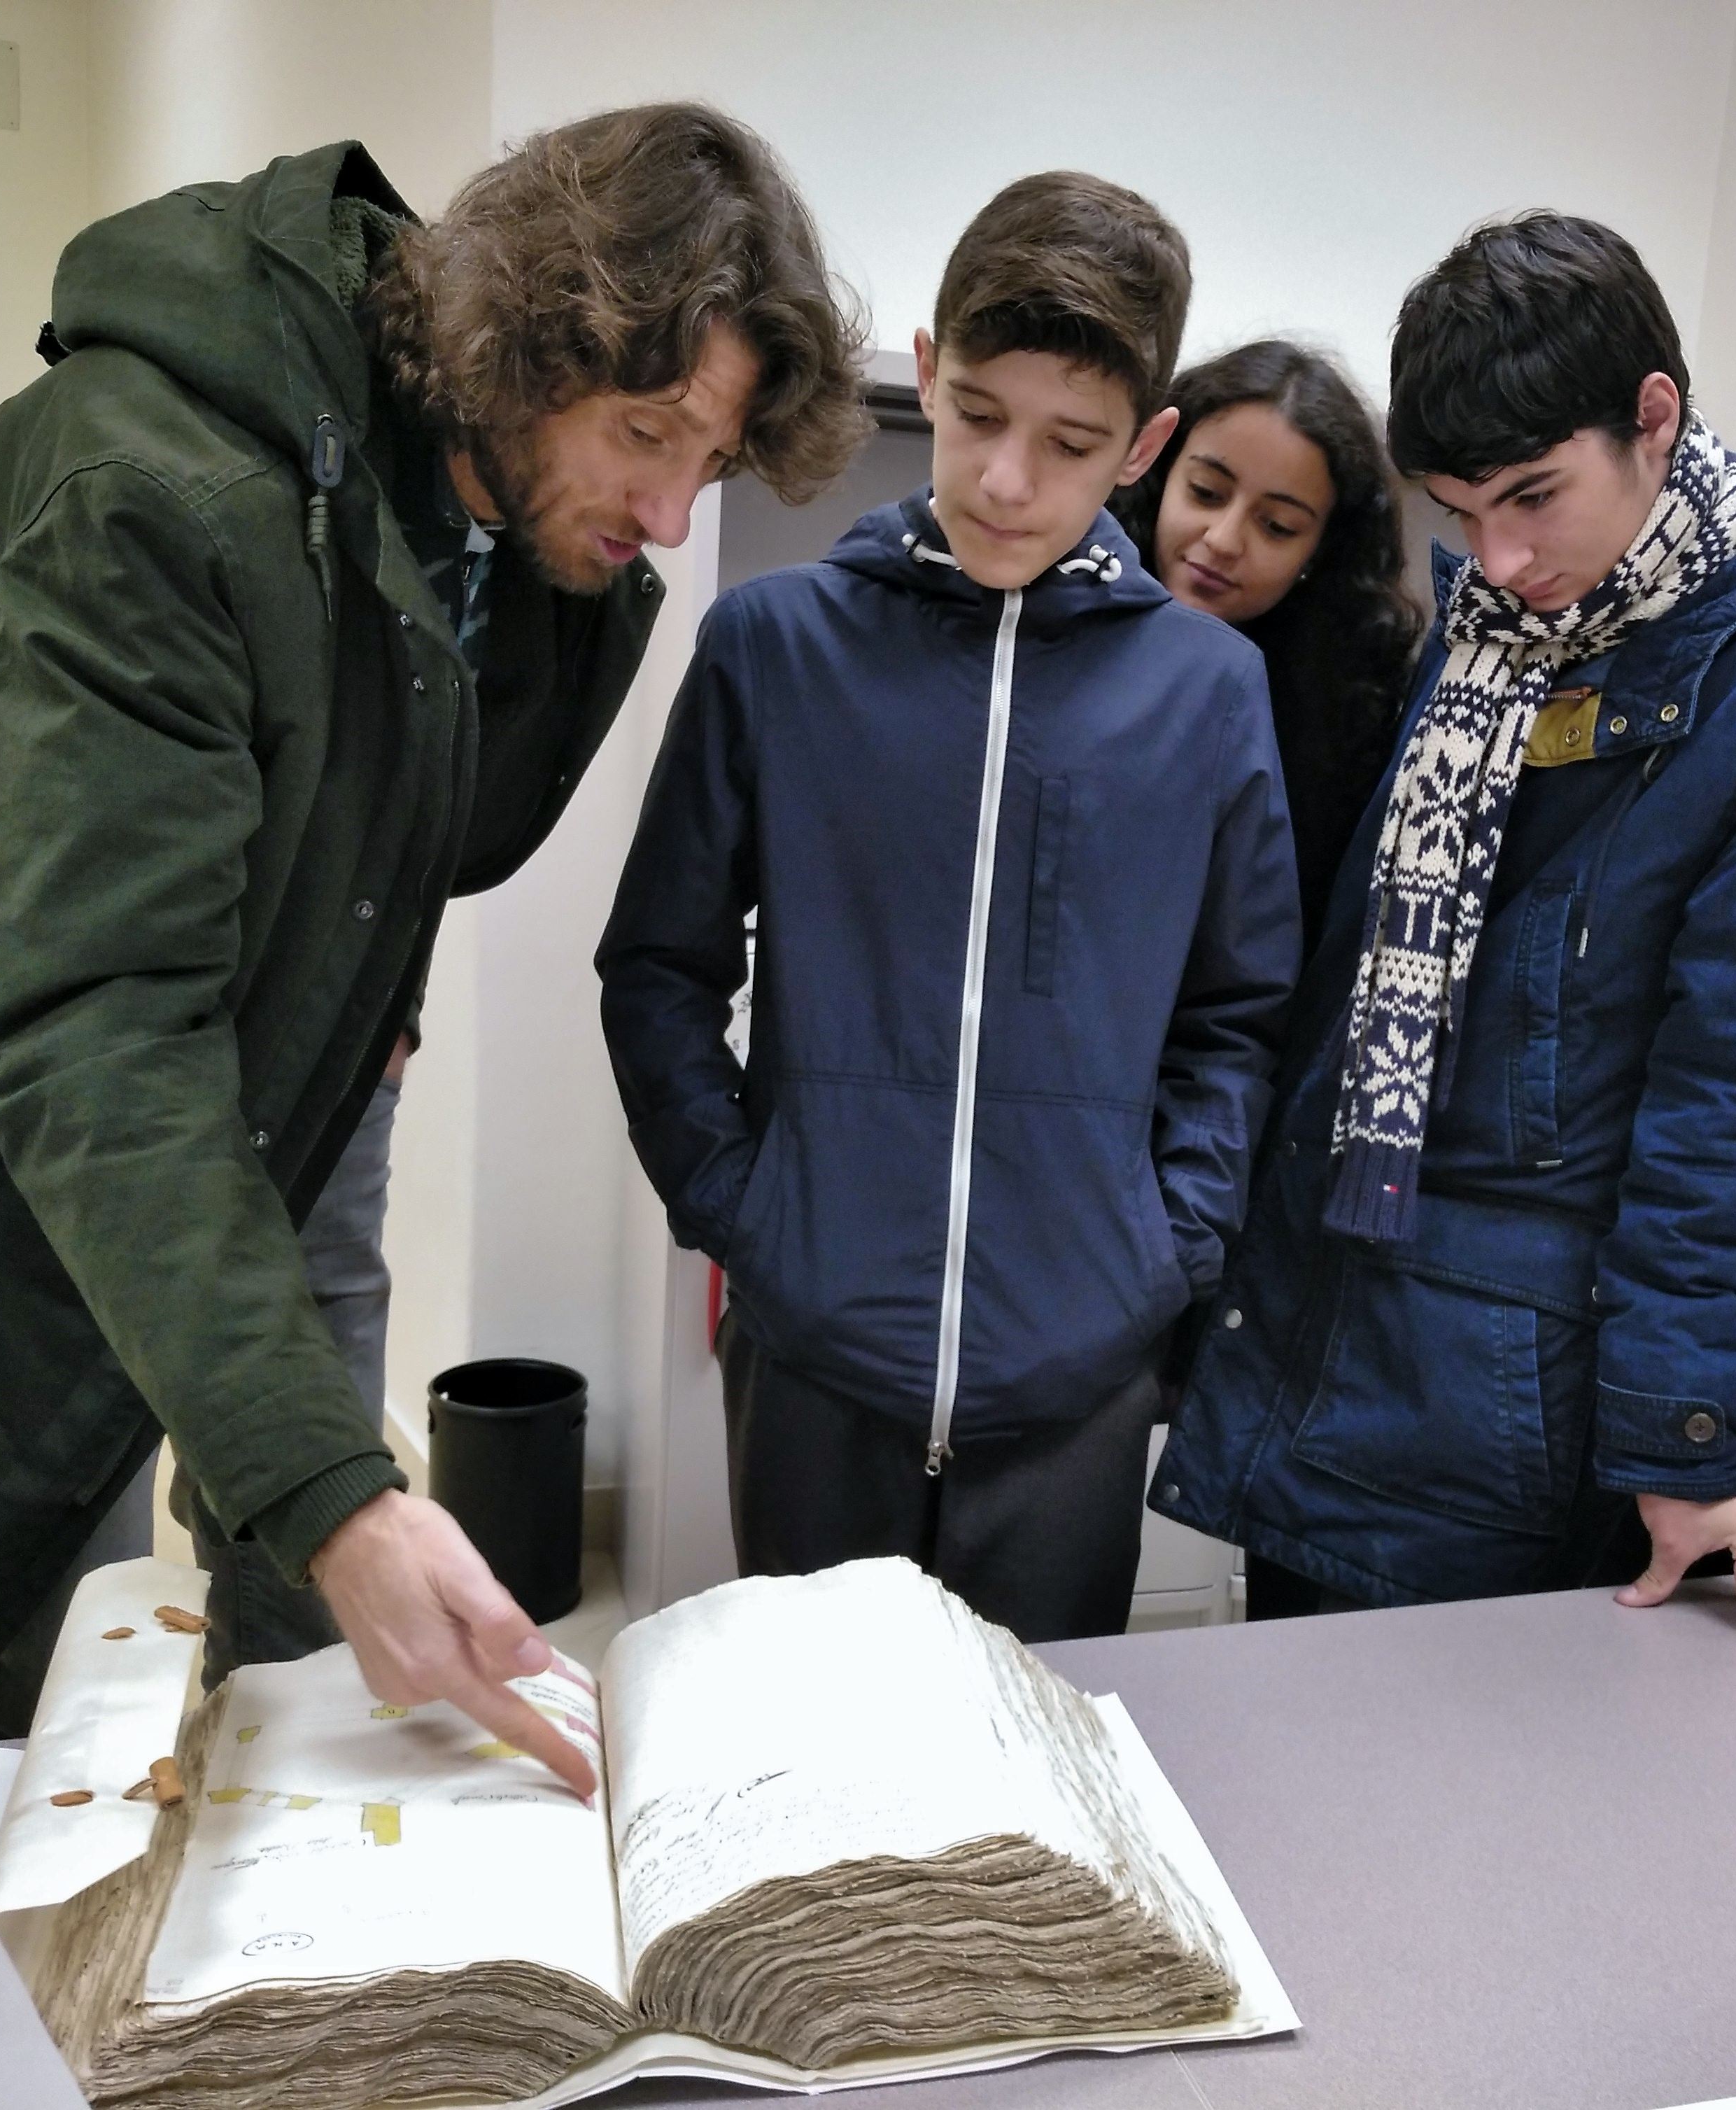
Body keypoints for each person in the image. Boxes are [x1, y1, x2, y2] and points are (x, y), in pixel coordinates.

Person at [0, 107, 868, 1792]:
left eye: (712, 461)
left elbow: (409, 797)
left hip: (312, 1072)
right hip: (53, 1119)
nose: (673, 513)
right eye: (646, 432)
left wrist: (366, 1005)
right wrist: (342, 1498)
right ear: (521, 340)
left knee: (313, 1610)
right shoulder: (151, 479)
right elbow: (94, 1027)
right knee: (52, 1652)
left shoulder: (523, 521)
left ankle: (289, 1881)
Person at [1150, 213, 1736, 1636]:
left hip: (1520, 1384)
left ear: (1655, 417)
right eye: (1457, 509)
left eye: (1531, 496)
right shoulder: (1504, 629)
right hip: (1340, 1307)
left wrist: (1684, 1438)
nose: (1496, 557)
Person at [598, 173, 1302, 1644]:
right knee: (811, 1775)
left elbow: (1236, 1017)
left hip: (1077, 1370)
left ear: (1146, 447)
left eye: (1072, 443)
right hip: (815, 1349)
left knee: (1037, 1796)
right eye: (979, 414)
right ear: (926, 371)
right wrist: (743, 1207)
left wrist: (1160, 1253)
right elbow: (658, 964)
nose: (1004, 481)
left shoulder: (1209, 692)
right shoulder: (772, 649)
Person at [1112, 340, 1425, 948]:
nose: (1224, 539)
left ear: (1320, 553)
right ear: (1156, 471)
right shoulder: (1061, 622)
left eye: (1277, 526)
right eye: (1206, 492)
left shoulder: (1346, 721)